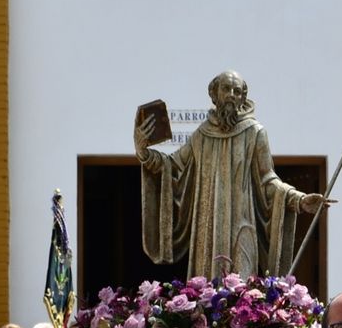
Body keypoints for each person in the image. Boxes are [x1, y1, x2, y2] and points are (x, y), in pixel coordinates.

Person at [136, 70, 330, 277]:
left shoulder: (254, 132)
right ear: (214, 94)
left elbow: (268, 180)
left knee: (243, 286)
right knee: (206, 290)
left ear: (242, 98)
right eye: (226, 89)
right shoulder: (201, 135)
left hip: (242, 228)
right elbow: (172, 166)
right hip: (207, 233)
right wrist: (143, 152)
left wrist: (299, 199)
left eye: (237, 91)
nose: (231, 95)